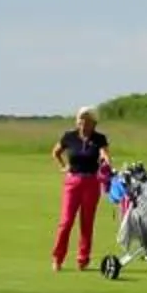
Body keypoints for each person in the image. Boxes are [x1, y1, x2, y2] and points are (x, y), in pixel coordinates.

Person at [48, 107, 114, 272]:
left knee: (87, 223)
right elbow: (56, 152)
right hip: (73, 182)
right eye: (80, 120)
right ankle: (58, 258)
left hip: (91, 182)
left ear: (93, 123)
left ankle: (83, 259)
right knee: (66, 222)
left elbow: (104, 153)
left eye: (86, 121)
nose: (82, 124)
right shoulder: (69, 136)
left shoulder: (99, 138)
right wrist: (64, 166)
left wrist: (106, 162)